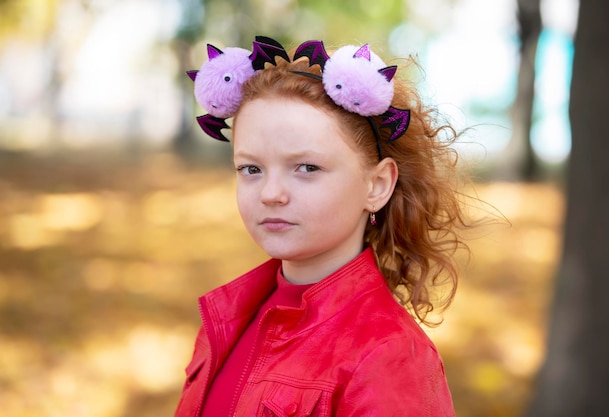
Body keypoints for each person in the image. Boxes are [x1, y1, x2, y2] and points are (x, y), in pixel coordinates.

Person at [175, 35, 471, 416]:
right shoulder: (227, 317)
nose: (271, 193)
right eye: (251, 168)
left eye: (307, 168)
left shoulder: (388, 355)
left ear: (377, 185)